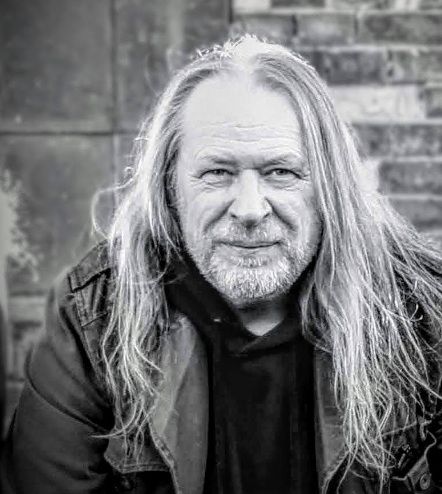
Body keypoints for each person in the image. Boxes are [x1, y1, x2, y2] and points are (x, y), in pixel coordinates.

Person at [5, 36, 442, 494]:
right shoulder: (94, 319)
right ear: (169, 187)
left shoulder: (426, 317)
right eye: (217, 173)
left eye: (281, 172)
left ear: (329, 187)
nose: (250, 209)